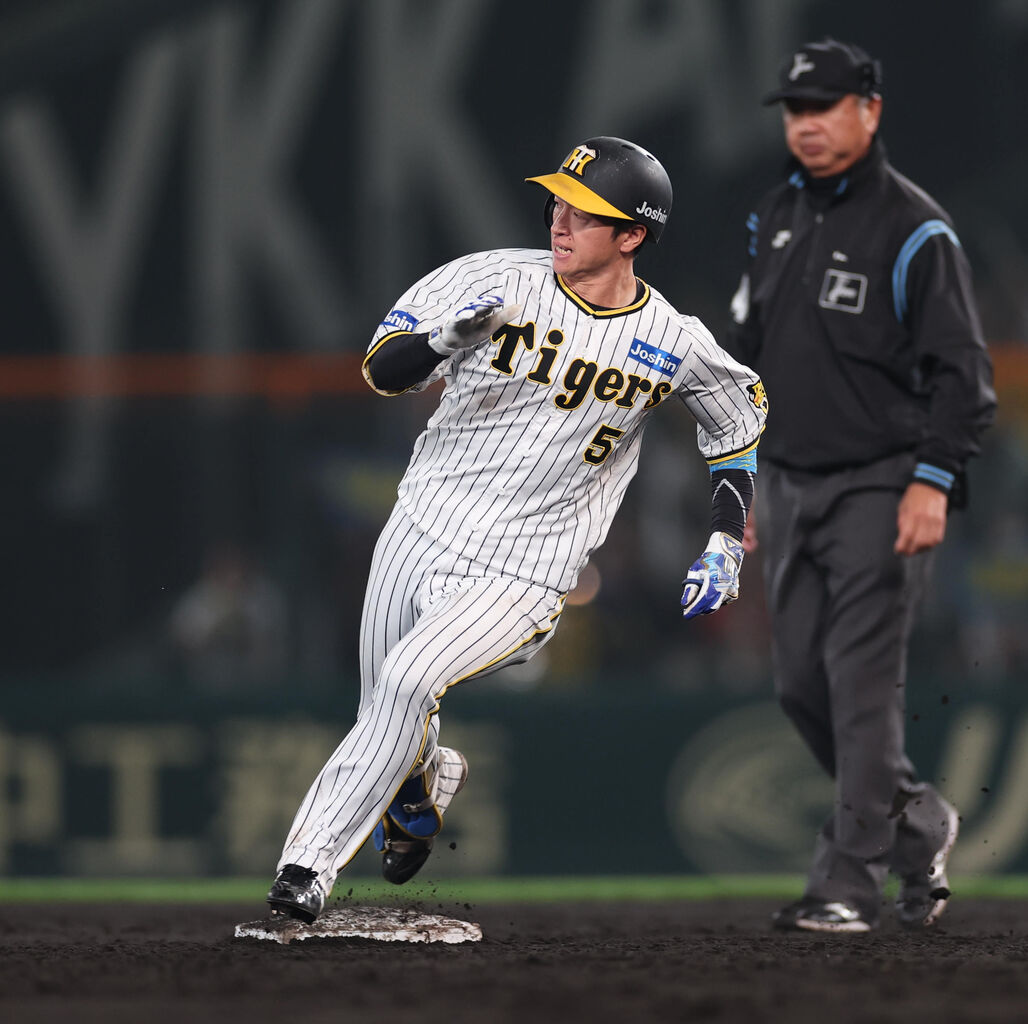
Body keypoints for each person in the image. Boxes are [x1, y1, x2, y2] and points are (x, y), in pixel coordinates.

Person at [265, 136, 768, 923]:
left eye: (585, 212)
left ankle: (305, 869)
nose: (560, 221)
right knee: (386, 712)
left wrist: (725, 538)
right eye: (557, 203)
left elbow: (735, 423)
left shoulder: (673, 339)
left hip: (526, 569)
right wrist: (442, 342)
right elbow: (381, 369)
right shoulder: (492, 278)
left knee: (407, 682)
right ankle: (423, 782)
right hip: (417, 530)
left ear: (633, 235)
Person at [725, 39, 996, 932]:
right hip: (787, 480)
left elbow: (965, 378)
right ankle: (917, 823)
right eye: (796, 110)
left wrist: (931, 481)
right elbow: (746, 362)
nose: (806, 124)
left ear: (870, 111)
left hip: (881, 481)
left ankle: (846, 884)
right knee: (800, 686)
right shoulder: (774, 215)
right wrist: (739, 480)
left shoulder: (916, 230)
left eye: (825, 107)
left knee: (858, 686)